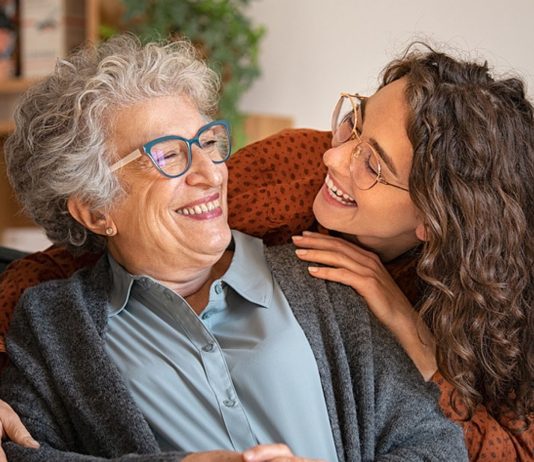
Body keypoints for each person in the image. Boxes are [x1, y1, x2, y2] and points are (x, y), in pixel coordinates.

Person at [0, 35, 466, 461]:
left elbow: (437, 446)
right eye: (167, 154)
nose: (211, 174)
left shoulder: (324, 277)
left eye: (208, 142)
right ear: (96, 211)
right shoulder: (53, 322)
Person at [291, 46, 534, 461]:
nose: (333, 157)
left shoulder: (501, 305)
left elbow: (517, 452)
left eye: (373, 165)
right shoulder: (291, 170)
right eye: (355, 123)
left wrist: (411, 332)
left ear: (434, 218)